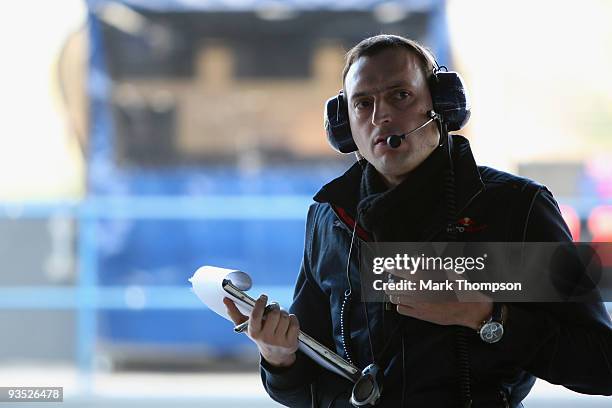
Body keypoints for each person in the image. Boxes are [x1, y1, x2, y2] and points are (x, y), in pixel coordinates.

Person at [224, 34, 612, 407]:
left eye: (400, 95)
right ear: (345, 126)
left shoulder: (515, 208)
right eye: (362, 103)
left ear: (441, 104)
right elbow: (304, 392)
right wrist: (279, 358)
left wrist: (484, 315)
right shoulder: (329, 217)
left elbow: (600, 365)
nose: (382, 116)